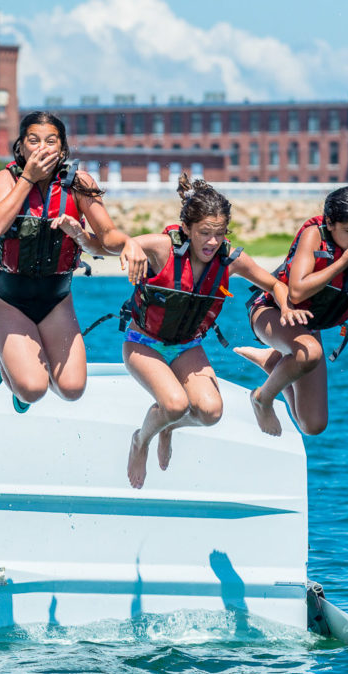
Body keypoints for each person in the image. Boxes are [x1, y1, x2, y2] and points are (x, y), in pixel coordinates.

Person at [122, 175, 309, 489]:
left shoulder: (230, 261)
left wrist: (286, 307)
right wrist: (129, 247)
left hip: (185, 346)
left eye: (219, 234)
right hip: (144, 343)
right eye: (204, 233)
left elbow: (275, 284)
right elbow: (120, 243)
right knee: (175, 404)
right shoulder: (163, 248)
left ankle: (168, 427)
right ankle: (141, 440)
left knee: (210, 412)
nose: (212, 242)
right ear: (187, 230)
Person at [0, 111, 147, 413]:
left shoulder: (79, 183)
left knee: (71, 390)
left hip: (56, 299)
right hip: (9, 299)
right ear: (21, 147)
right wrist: (28, 178)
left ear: (63, 148)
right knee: (32, 390)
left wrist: (128, 243)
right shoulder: (7, 178)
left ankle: (21, 361)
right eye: (33, 140)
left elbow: (106, 237)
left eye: (50, 141)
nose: (42, 147)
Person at [236, 186, 348, 437]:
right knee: (311, 353)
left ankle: (273, 362)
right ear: (330, 223)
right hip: (272, 311)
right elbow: (296, 292)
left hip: (305, 325)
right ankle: (261, 400)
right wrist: (343, 263)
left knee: (313, 425)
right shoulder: (313, 237)